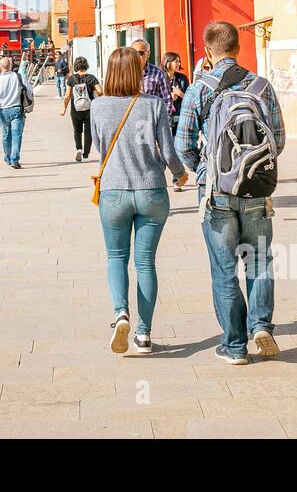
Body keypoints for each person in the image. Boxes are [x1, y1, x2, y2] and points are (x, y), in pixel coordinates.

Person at [176, 21, 286, 366]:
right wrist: (250, 168)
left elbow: (183, 144)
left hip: (216, 192)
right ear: (238, 47)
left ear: (208, 51)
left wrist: (208, 170)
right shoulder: (262, 86)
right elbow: (278, 139)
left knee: (224, 268)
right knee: (259, 261)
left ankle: (234, 346)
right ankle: (260, 326)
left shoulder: (199, 88)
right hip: (256, 190)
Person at [90, 47, 188, 355]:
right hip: (151, 191)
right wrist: (180, 174)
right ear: (138, 73)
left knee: (116, 258)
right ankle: (144, 335)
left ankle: (121, 313)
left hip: (114, 192)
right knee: (145, 262)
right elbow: (169, 152)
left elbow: (99, 147)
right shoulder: (154, 104)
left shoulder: (97, 106)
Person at [0, 56, 32, 169]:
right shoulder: (18, 77)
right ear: (10, 65)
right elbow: (27, 88)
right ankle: (14, 159)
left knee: (6, 136)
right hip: (17, 108)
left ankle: (8, 157)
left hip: (3, 111)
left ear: (0, 67)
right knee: (17, 135)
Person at [60, 56, 100, 162]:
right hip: (89, 109)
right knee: (88, 131)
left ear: (75, 66)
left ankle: (78, 149)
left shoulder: (71, 79)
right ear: (86, 65)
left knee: (77, 130)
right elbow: (100, 91)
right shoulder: (92, 77)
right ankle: (86, 154)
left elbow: (67, 95)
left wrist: (64, 108)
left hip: (75, 109)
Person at [131, 39, 173, 119]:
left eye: (140, 53)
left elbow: (167, 101)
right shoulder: (125, 73)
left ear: (148, 54)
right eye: (133, 53)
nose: (136, 56)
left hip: (151, 122)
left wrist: (159, 121)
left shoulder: (157, 73)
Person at [163, 51, 189, 135]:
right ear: (168, 62)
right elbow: (153, 95)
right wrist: (169, 96)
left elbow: (190, 99)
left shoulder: (182, 78)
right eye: (176, 61)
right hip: (164, 115)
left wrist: (180, 94)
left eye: (179, 61)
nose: (179, 63)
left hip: (179, 116)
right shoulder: (159, 76)